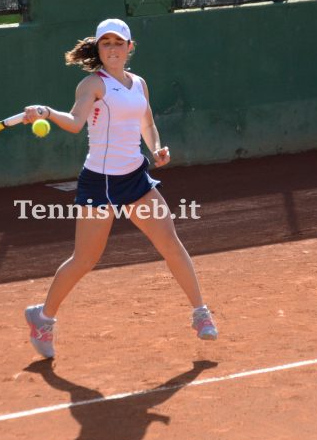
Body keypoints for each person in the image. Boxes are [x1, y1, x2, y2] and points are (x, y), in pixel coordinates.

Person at [21, 18, 217, 359]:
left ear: (129, 47)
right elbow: (75, 122)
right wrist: (47, 112)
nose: (112, 48)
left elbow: (147, 122)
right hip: (99, 182)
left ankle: (200, 312)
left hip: (135, 178)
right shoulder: (92, 85)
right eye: (105, 43)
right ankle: (43, 318)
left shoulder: (139, 83)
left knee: (170, 242)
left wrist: (155, 147)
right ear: (99, 49)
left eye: (118, 42)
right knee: (85, 259)